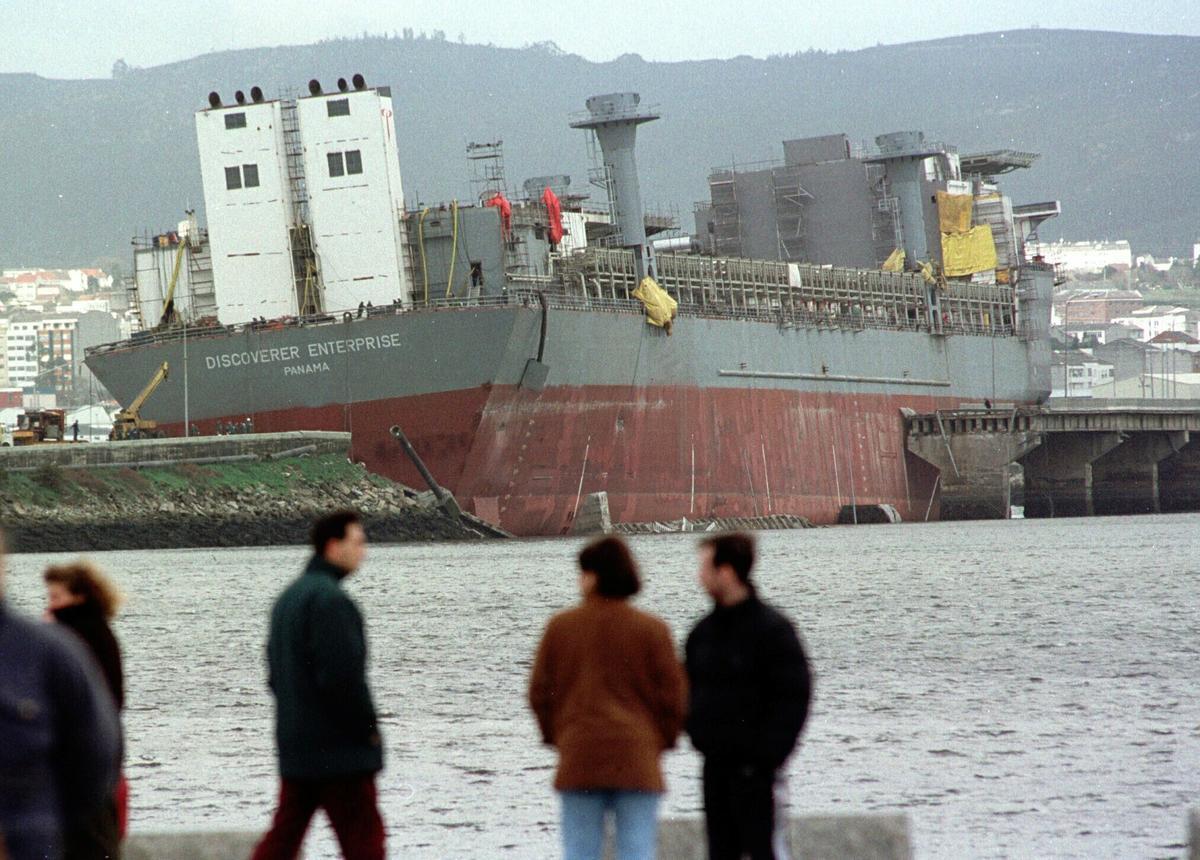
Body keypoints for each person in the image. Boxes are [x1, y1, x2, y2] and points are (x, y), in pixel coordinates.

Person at [529, 536, 687, 860]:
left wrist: (560, 737)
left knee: (580, 852)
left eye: (582, 572)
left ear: (593, 576)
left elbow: (539, 694)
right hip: (638, 759)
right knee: (637, 850)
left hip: (580, 757)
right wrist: (659, 742)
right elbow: (675, 698)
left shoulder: (561, 627)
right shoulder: (653, 629)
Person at [251, 510, 385, 860]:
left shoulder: (287, 600)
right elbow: (343, 679)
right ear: (332, 545)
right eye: (357, 542)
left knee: (282, 841)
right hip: (341, 754)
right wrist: (368, 732)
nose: (363, 551)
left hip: (297, 747)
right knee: (365, 843)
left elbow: (274, 676)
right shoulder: (332, 602)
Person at [685, 533, 812, 860]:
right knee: (720, 852)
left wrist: (770, 754)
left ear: (726, 572)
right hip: (715, 768)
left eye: (704, 568)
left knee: (763, 850)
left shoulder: (773, 630)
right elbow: (686, 692)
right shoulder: (702, 633)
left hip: (759, 771)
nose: (699, 577)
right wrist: (701, 738)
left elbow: (795, 696)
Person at [0, 533, 121, 860]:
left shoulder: (58, 646)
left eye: (54, 597)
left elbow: (96, 753)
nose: (48, 606)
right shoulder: (58, 645)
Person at [43, 561, 127, 856]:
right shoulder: (98, 633)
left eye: (55, 597)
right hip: (105, 760)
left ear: (79, 597)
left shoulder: (74, 637)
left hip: (84, 766)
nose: (49, 606)